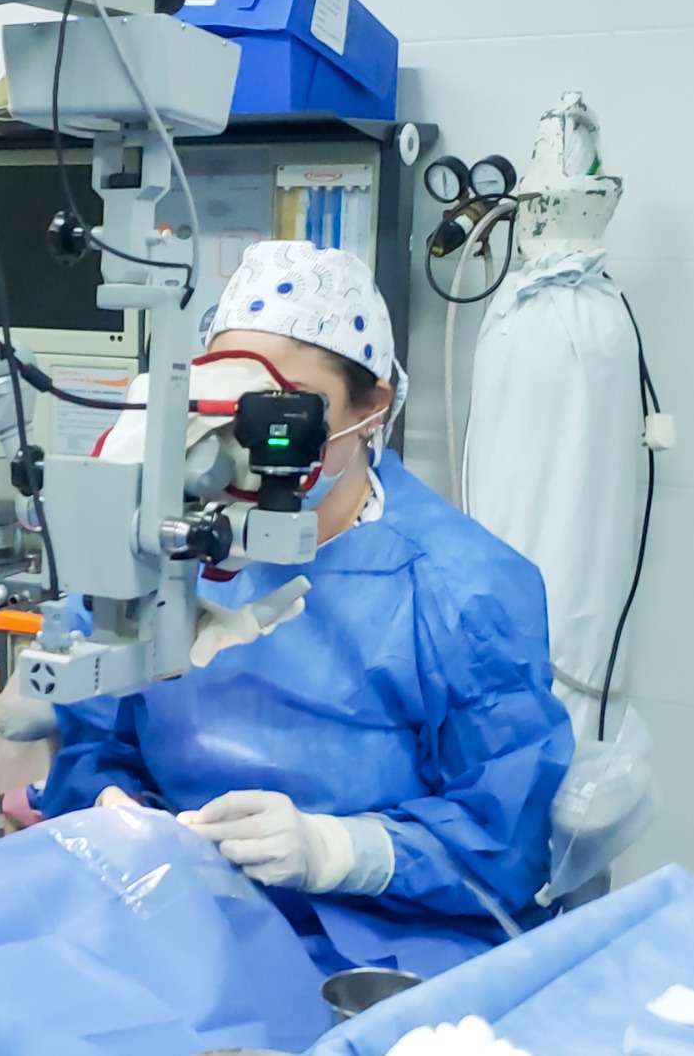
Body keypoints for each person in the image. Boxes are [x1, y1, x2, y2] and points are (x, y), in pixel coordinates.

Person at [38, 241, 575, 978]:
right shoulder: (159, 549)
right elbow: (93, 744)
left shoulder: (461, 589)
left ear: (372, 407)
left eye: (284, 407)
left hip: (384, 944)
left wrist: (341, 851)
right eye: (233, 403)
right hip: (171, 912)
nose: (251, 440)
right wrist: (112, 808)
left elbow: (509, 845)